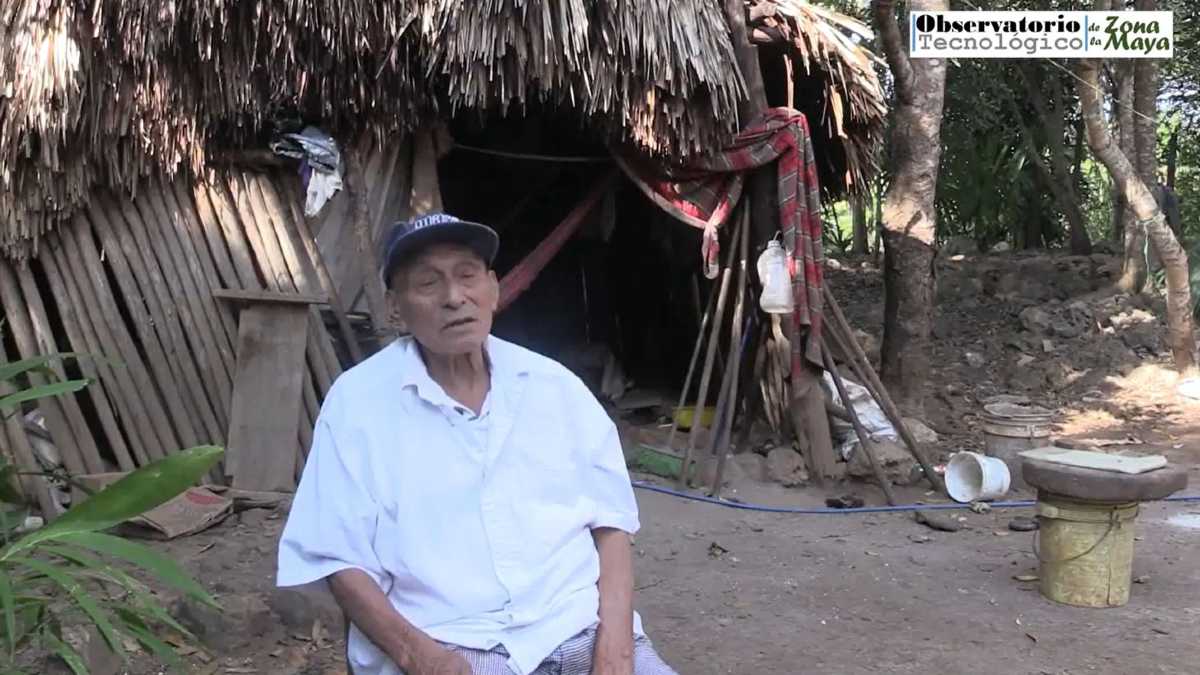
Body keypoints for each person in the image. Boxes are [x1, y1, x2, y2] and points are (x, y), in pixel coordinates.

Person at [277, 213, 677, 675]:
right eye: (428, 283)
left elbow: (612, 526)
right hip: (451, 647)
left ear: (494, 288)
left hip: (578, 632)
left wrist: (617, 650)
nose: (454, 298)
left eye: (467, 276)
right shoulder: (357, 404)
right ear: (393, 307)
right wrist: (419, 657)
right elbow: (337, 556)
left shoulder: (555, 388)